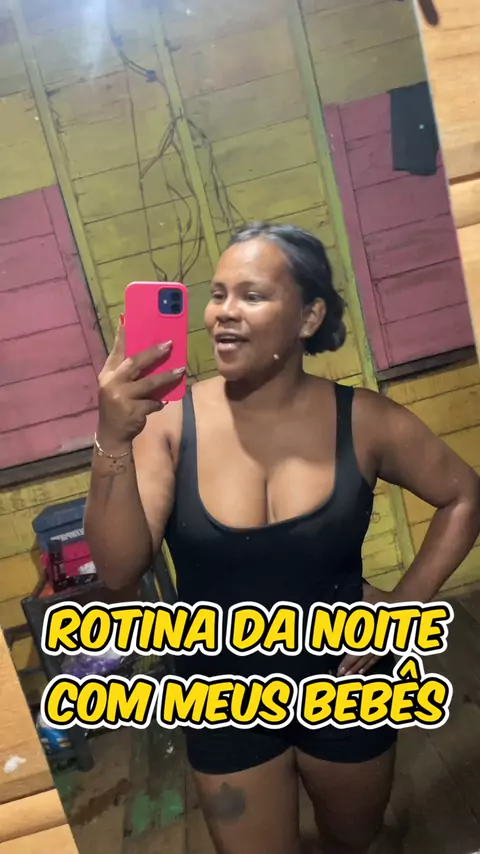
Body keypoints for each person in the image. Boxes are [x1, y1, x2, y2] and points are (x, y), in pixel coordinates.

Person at [85, 223, 480, 854]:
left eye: (252, 295)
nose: (223, 312)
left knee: (354, 841)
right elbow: (118, 570)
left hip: (350, 683)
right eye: (217, 294)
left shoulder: (365, 420)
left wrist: (405, 604)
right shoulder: (168, 426)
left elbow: (464, 496)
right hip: (220, 696)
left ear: (308, 316)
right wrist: (112, 437)